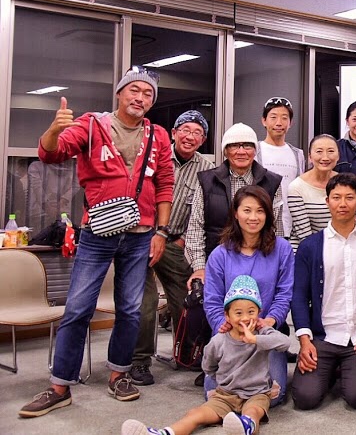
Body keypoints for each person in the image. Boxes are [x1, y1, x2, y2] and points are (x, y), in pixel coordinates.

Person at [19, 68, 174, 418]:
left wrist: (162, 232)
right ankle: (60, 386)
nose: (140, 98)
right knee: (78, 307)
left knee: (130, 309)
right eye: (134, 90)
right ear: (119, 93)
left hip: (141, 235)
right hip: (97, 233)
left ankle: (119, 375)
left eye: (148, 94)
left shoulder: (158, 135)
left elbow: (165, 183)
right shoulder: (92, 124)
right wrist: (54, 129)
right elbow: (51, 154)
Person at [121, 276, 291, 435]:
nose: (245, 318)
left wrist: (255, 339)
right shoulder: (218, 341)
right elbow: (209, 366)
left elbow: (284, 342)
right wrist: (221, 380)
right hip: (225, 395)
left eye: (251, 312)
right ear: (227, 316)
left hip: (256, 393)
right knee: (196, 414)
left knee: (253, 410)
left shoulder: (263, 333)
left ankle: (247, 426)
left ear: (259, 313)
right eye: (238, 313)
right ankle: (163, 432)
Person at [131, 110, 214, 386]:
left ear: (203, 139)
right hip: (141, 237)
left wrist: (181, 241)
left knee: (188, 301)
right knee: (146, 303)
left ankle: (186, 354)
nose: (190, 137)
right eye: (185, 130)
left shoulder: (206, 169)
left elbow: (204, 213)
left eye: (197, 133)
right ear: (174, 133)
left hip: (176, 242)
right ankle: (139, 361)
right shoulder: (154, 155)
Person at [290, 173, 356, 411]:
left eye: (349, 198)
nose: (343, 204)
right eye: (336, 197)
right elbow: (299, 296)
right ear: (327, 201)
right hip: (323, 337)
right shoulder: (310, 246)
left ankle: (344, 369)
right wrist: (304, 340)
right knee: (305, 398)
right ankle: (329, 371)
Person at [202, 186, 293, 406]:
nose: (253, 217)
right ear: (236, 213)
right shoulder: (220, 254)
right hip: (229, 335)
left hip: (264, 333)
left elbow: (284, 293)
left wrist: (270, 320)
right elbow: (212, 300)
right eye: (247, 210)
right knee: (215, 395)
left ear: (268, 215)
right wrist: (224, 324)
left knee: (274, 396)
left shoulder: (282, 249)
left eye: (260, 211)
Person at [185, 123, 283, 286]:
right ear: (225, 151)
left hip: (259, 265)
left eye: (247, 146)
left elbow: (275, 230)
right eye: (234, 146)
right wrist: (200, 267)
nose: (241, 151)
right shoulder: (207, 181)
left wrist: (272, 267)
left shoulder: (272, 182)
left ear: (255, 150)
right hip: (215, 264)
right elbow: (195, 228)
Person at [255, 97, 306, 236]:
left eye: (284, 118)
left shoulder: (298, 154)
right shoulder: (255, 150)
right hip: (262, 226)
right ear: (264, 121)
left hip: (293, 226)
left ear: (290, 123)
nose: (279, 123)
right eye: (273, 117)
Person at [287, 134, 338, 251]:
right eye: (319, 151)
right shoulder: (296, 187)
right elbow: (304, 236)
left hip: (336, 247)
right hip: (305, 249)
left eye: (330, 151)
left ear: (338, 155)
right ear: (310, 156)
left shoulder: (344, 183)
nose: (325, 157)